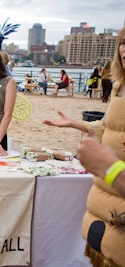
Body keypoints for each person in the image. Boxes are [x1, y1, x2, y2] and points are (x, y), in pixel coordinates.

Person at [42, 27, 125, 267]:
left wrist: (109, 168)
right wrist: (76, 124)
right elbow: (108, 126)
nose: (124, 49)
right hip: (102, 206)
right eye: (123, 42)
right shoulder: (120, 86)